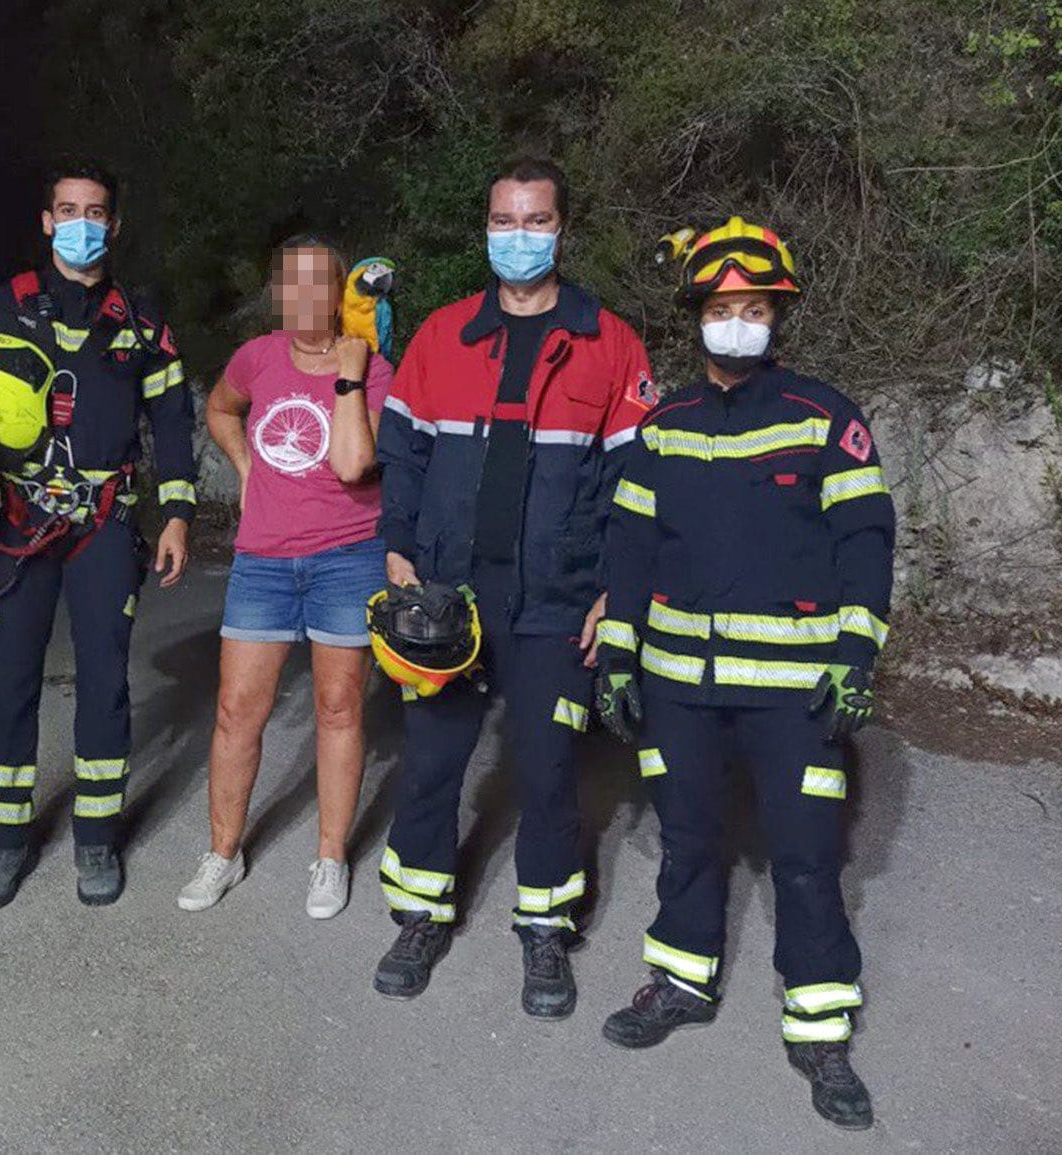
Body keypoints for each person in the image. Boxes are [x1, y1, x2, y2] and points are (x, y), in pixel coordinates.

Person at [594, 217, 895, 1130]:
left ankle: (820, 1024)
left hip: (794, 693)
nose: (737, 322)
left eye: (754, 307)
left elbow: (866, 539)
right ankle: (681, 982)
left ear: (778, 316)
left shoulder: (826, 418)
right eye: (722, 307)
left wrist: (857, 651)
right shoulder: (664, 426)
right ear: (698, 316)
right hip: (680, 684)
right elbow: (631, 543)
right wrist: (617, 651)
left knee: (805, 859)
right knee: (689, 840)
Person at [371, 158, 658, 1016]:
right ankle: (421, 912)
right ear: (485, 227)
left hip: (558, 600)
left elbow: (637, 486)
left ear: (562, 229)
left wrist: (619, 591)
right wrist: (396, 547)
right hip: (448, 595)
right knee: (431, 761)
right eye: (504, 221)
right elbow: (404, 454)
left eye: (536, 222)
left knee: (548, 769)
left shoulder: (611, 343)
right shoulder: (441, 336)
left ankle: (545, 928)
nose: (519, 237)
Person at [0, 161, 197, 910]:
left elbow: (171, 418)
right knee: (10, 681)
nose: (81, 223)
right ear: (45, 222)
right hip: (16, 519)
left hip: (103, 525)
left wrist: (176, 513)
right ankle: (2, 842)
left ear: (115, 224)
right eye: (67, 210)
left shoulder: (140, 321)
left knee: (105, 680)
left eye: (95, 211)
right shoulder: (4, 305)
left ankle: (97, 837)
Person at [177, 236, 393, 919]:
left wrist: (352, 374)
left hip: (347, 555)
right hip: (263, 559)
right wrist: (245, 468)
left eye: (319, 284)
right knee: (237, 710)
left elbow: (356, 465)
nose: (305, 297)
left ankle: (330, 858)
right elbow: (219, 408)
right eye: (290, 284)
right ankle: (223, 851)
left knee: (338, 709)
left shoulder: (373, 366)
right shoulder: (257, 357)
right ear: (275, 293)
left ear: (339, 293)